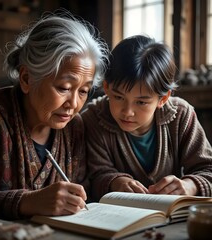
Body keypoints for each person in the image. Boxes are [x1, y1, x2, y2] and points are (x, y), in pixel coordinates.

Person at [0, 11, 109, 223]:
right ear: (27, 79)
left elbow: (83, 190)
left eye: (83, 91)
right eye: (64, 87)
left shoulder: (75, 128)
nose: (73, 105)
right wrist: (27, 202)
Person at [81, 35, 212, 202]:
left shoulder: (181, 115)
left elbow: (208, 169)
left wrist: (190, 185)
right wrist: (116, 182)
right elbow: (94, 176)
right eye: (118, 97)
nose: (128, 112)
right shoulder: (93, 119)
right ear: (106, 87)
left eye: (141, 102)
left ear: (163, 99)